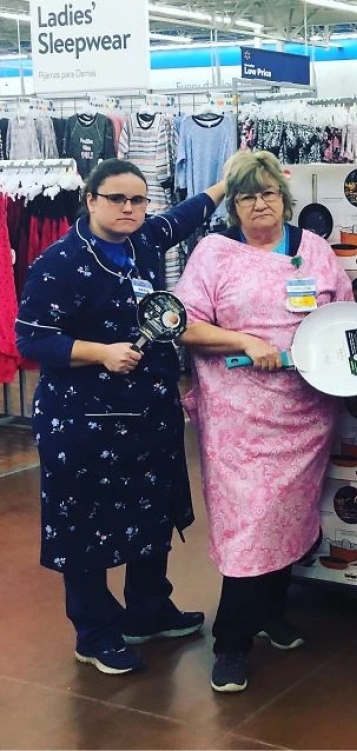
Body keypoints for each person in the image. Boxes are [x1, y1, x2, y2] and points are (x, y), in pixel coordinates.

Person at [14, 158, 227, 675]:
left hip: (148, 413)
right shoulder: (59, 262)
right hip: (81, 421)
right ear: (90, 199)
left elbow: (185, 215)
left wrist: (230, 180)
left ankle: (148, 610)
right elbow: (31, 339)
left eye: (138, 200)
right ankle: (95, 633)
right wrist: (99, 352)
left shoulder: (143, 241)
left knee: (151, 512)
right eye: (117, 199)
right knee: (84, 524)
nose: (129, 208)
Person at [173, 150, 355, 694]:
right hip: (238, 416)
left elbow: (344, 316)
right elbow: (184, 324)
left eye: (268, 193)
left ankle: (270, 613)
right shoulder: (214, 252)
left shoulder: (314, 250)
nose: (259, 204)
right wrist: (245, 342)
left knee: (288, 517)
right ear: (233, 205)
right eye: (247, 196)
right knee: (247, 527)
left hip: (304, 413)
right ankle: (230, 644)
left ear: (284, 197)